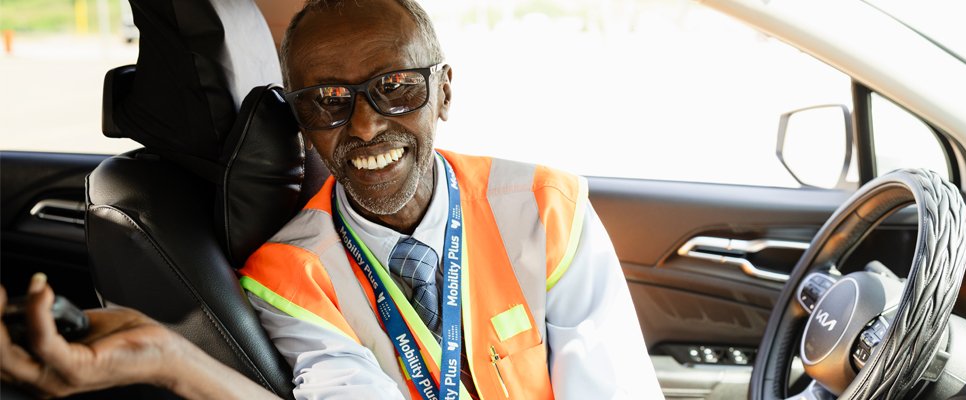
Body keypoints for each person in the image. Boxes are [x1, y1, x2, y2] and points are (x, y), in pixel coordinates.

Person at [1, 0, 660, 398]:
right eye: (328, 101)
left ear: (446, 92)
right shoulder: (289, 273)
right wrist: (170, 361)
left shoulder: (549, 208)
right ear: (300, 120)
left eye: (396, 86)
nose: (366, 124)